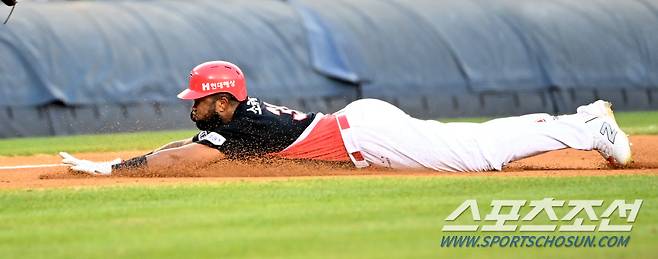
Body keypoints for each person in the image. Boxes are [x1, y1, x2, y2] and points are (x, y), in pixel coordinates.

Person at [59, 61, 632, 175]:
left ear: (223, 100)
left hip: (364, 132)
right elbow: (187, 143)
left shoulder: (237, 127)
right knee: (467, 141)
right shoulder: (238, 121)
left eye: (199, 98)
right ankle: (578, 120)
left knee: (475, 157)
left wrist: (114, 168)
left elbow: (181, 157)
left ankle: (585, 128)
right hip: (360, 125)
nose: (193, 102)